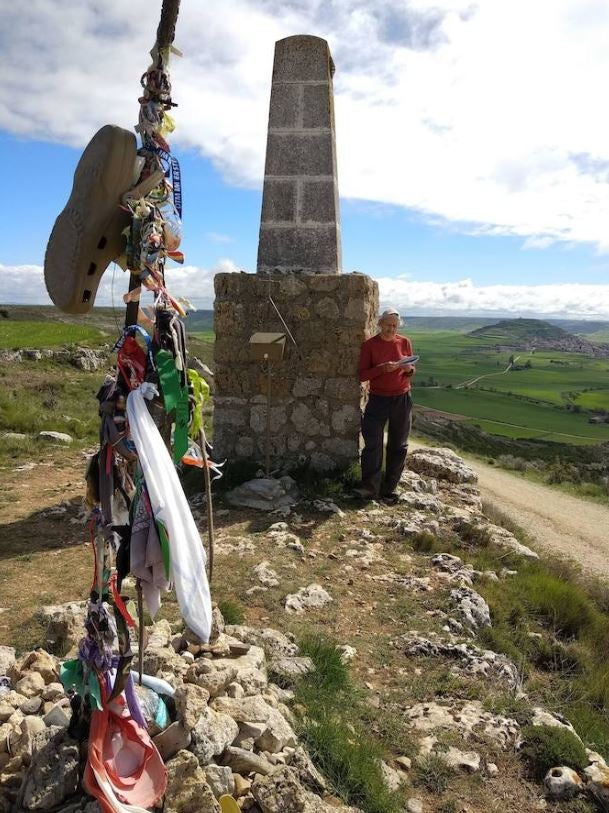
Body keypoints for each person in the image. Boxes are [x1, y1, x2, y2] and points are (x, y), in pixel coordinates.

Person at [356, 309, 415, 502]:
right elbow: (363, 375)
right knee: (372, 443)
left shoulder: (404, 342)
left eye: (395, 326)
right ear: (380, 324)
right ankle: (370, 488)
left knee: (398, 445)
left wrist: (408, 369)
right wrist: (383, 369)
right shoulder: (370, 345)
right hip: (378, 399)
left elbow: (410, 370)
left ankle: (389, 489)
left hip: (401, 398)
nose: (391, 329)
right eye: (388, 324)